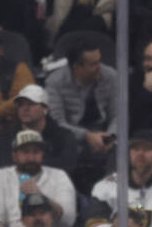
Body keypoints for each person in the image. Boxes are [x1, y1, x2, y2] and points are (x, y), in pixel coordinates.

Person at [44, 38, 119, 173]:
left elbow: (118, 115)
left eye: (99, 61)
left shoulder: (111, 76)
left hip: (104, 133)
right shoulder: (55, 82)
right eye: (93, 64)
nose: (99, 67)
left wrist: (110, 137)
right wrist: (86, 136)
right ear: (76, 66)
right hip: (71, 136)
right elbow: (57, 122)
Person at [0, 129, 77, 227]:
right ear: (14, 155)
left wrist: (42, 197)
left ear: (42, 154)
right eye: (25, 152)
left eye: (36, 152)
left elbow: (68, 220)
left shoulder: (59, 175)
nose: (31, 157)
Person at [0, 85, 81, 174]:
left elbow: (67, 166)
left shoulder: (64, 137)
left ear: (45, 109)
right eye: (21, 104)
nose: (25, 109)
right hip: (15, 185)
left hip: (52, 185)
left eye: (31, 104)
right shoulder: (6, 137)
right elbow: (2, 167)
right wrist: (26, 178)